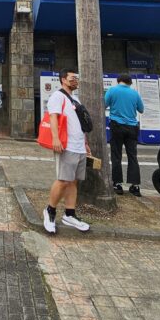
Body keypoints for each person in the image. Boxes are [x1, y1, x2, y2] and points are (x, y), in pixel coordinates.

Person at [43, 69, 91, 234]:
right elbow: (53, 117)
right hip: (67, 145)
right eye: (72, 78)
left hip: (79, 146)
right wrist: (55, 138)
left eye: (76, 78)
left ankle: (70, 214)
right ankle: (50, 210)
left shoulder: (75, 98)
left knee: (74, 181)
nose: (75, 81)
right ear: (63, 79)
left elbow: (78, 123)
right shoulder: (58, 96)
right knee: (63, 180)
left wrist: (85, 143)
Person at [104, 75, 144, 196]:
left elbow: (104, 104)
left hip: (117, 126)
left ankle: (118, 184)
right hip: (132, 127)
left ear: (118, 81)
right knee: (132, 156)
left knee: (116, 155)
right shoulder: (135, 93)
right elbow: (141, 109)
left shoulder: (112, 90)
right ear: (130, 83)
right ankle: (135, 186)